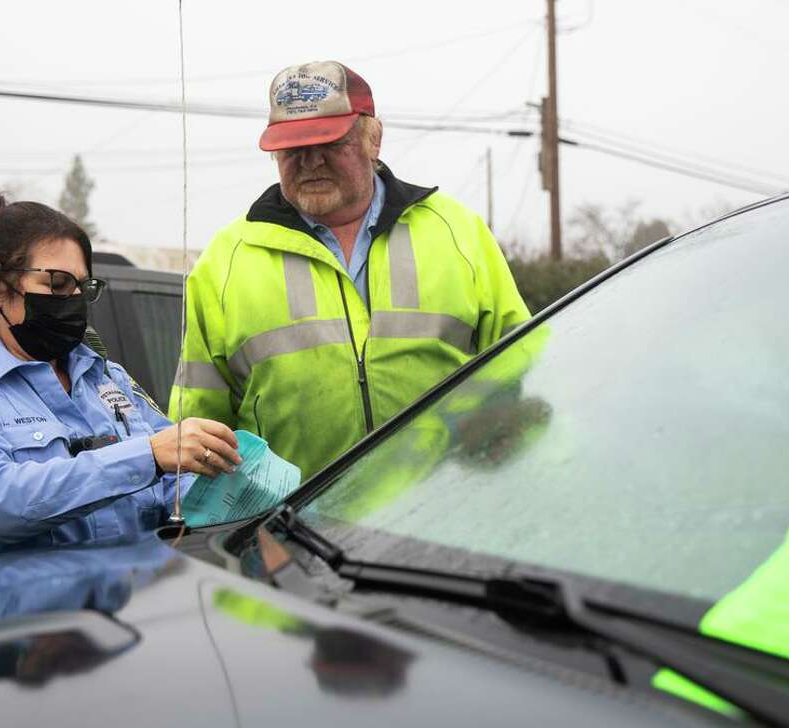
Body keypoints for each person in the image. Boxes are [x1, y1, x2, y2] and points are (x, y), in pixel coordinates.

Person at [168, 60, 531, 480]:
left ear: (373, 139)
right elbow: (198, 429)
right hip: (294, 533)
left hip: (446, 516)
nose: (311, 162)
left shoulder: (457, 233)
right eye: (292, 149)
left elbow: (523, 368)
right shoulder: (226, 260)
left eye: (330, 143)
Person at [0, 186, 242, 564]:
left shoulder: (106, 377)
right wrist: (145, 457)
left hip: (124, 607)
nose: (74, 299)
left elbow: (173, 474)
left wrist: (229, 485)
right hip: (13, 614)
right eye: (58, 284)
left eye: (83, 286)